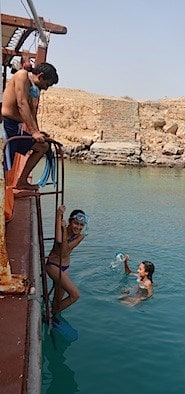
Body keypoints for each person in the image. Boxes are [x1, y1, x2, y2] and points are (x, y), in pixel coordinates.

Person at [2, 62, 59, 190]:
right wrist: (33, 132)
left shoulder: (33, 89)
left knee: (42, 146)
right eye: (47, 84)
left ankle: (22, 181)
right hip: (7, 126)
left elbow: (31, 112)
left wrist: (38, 132)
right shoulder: (22, 75)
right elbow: (21, 104)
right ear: (41, 76)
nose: (46, 88)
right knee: (5, 165)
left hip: (17, 128)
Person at [46, 204, 88, 319]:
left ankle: (53, 314)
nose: (78, 227)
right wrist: (59, 216)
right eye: (76, 223)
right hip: (53, 265)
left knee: (57, 300)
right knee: (75, 295)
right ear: (70, 221)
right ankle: (51, 315)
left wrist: (64, 229)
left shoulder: (80, 236)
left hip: (65, 268)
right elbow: (61, 245)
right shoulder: (61, 228)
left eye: (81, 225)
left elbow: (65, 250)